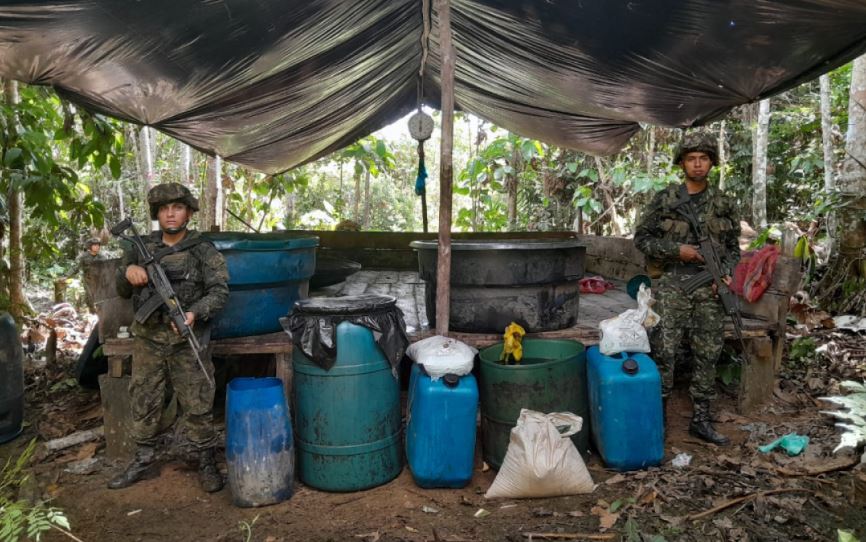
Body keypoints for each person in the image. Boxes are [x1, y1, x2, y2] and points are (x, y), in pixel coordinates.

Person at [109, 183, 229, 492]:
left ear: (188, 212)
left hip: (186, 336)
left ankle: (206, 460)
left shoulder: (202, 249)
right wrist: (129, 271)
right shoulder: (139, 247)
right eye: (164, 209)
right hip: (149, 336)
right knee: (144, 396)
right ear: (156, 214)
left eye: (177, 207)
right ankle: (143, 457)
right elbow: (121, 291)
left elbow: (220, 291)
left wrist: (193, 314)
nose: (170, 213)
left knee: (198, 399)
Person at [633, 132, 741, 446]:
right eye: (691, 158)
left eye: (703, 158)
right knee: (665, 351)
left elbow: (734, 248)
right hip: (671, 286)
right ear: (682, 162)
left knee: (708, 353)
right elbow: (642, 239)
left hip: (709, 288)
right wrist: (675, 251)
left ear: (712, 163)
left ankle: (701, 420)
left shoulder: (723, 203)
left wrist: (727, 275)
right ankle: (659, 418)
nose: (697, 164)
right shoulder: (666, 198)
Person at [64, 238, 105, 312]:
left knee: (100, 296)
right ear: (90, 246)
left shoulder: (102, 257)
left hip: (99, 279)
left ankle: (98, 311)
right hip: (88, 280)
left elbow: (106, 268)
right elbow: (75, 267)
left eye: (98, 245)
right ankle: (91, 310)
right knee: (90, 296)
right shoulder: (83, 256)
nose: (97, 247)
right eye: (94, 245)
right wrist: (66, 276)